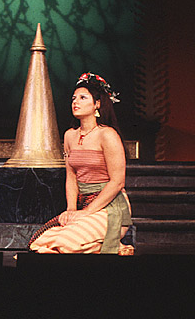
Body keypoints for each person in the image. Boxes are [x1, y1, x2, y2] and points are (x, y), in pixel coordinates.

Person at [28, 72, 133, 255]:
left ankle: (112, 246)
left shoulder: (107, 135)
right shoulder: (70, 135)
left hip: (110, 208)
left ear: (97, 104)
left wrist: (87, 212)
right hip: (84, 207)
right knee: (39, 241)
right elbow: (71, 176)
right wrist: (71, 210)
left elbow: (117, 182)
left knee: (64, 244)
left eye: (83, 98)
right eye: (73, 98)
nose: (75, 102)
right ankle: (106, 247)